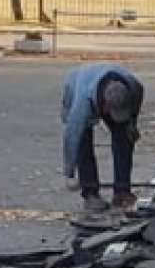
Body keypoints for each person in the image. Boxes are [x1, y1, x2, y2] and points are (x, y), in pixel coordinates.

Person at [62, 62, 144, 212]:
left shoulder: (132, 86)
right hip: (77, 84)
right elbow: (72, 137)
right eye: (113, 112)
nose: (116, 116)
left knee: (124, 138)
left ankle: (122, 192)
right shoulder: (81, 106)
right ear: (105, 106)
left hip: (105, 80)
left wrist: (132, 123)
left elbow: (137, 99)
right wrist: (70, 172)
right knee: (83, 143)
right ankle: (91, 193)